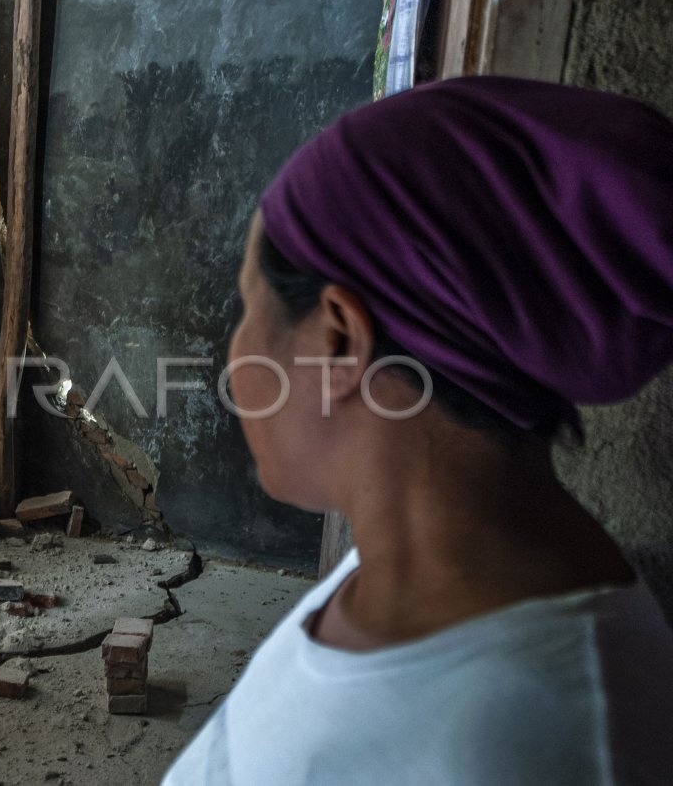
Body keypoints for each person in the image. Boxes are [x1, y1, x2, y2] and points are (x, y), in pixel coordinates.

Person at [163, 76, 673, 785]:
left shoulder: (531, 746)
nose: (233, 354)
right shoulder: (389, 571)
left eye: (248, 308)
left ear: (338, 340)